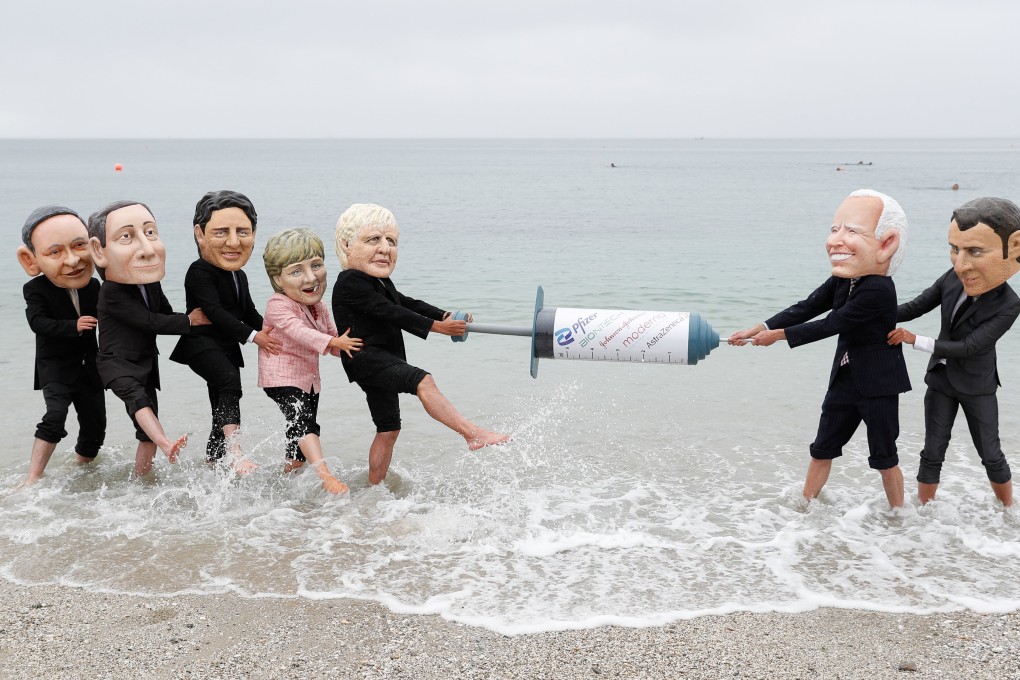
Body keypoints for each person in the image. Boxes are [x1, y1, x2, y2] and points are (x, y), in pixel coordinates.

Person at [729, 189, 911, 508]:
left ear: (886, 244)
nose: (837, 239)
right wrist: (762, 326)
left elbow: (832, 323)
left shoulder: (879, 289)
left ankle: (900, 517)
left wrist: (779, 337)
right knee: (822, 447)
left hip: (879, 383)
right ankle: (804, 508)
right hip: (845, 376)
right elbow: (809, 306)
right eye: (834, 229)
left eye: (852, 231)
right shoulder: (844, 278)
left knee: (884, 457)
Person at [331, 203, 509, 484]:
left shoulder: (379, 282)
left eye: (391, 241)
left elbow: (406, 303)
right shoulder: (350, 281)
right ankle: (473, 434)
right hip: (367, 358)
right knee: (423, 381)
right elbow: (392, 312)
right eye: (373, 239)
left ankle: (372, 488)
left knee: (388, 429)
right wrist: (438, 327)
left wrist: (443, 314)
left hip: (377, 359)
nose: (385, 248)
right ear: (346, 244)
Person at [888, 197, 1020, 506]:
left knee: (990, 452)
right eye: (955, 249)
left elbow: (970, 346)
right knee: (932, 450)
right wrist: (872, 311)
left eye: (974, 251)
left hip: (977, 385)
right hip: (942, 380)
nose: (960, 263)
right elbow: (916, 306)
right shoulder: (952, 278)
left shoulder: (1009, 304)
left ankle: (1008, 512)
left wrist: (913, 339)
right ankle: (923, 515)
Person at [87, 200, 209, 476]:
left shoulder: (151, 282)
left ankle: (143, 482)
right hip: (116, 363)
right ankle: (166, 443)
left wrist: (200, 319)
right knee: (138, 401)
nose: (146, 248)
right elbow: (148, 322)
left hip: (144, 363)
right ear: (100, 251)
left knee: (144, 434)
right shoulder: (111, 291)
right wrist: (189, 321)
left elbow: (164, 313)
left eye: (151, 233)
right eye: (127, 236)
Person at [170, 190, 281, 474]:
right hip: (201, 344)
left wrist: (275, 330)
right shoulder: (199, 271)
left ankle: (214, 463)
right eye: (222, 232)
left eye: (242, 231)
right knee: (230, 382)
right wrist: (255, 337)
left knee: (223, 401)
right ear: (200, 234)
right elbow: (215, 313)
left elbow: (248, 312)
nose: (234, 241)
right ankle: (236, 454)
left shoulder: (239, 274)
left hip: (226, 347)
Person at [259, 228, 363, 493]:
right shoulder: (277, 304)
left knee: (297, 432)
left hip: (308, 379)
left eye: (316, 265)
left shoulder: (319, 306)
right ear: (277, 279)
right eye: (296, 271)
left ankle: (288, 477)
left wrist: (361, 350)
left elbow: (334, 339)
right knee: (304, 422)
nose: (311, 276)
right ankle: (326, 477)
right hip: (280, 377)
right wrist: (333, 343)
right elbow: (300, 332)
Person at [16, 206, 106, 485]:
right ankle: (33, 478)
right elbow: (38, 322)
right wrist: (72, 326)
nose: (72, 260)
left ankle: (79, 470)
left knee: (95, 425)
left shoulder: (94, 287)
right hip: (55, 366)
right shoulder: (35, 289)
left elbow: (116, 315)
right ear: (32, 260)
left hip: (89, 366)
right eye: (55, 252)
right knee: (55, 416)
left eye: (79, 246)